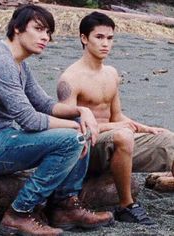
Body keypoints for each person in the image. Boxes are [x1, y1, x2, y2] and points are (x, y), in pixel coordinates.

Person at [0, 5, 115, 236]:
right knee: (73, 137)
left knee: (80, 129)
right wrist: (77, 126)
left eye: (48, 32)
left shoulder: (20, 64)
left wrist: (81, 112)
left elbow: (45, 104)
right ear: (17, 28)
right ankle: (19, 213)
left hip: (1, 138)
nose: (45, 37)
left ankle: (65, 206)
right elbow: (30, 120)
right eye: (38, 29)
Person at [57, 11, 174, 226]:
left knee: (168, 138)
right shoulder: (70, 78)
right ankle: (127, 205)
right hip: (89, 148)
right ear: (84, 38)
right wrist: (118, 126)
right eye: (99, 37)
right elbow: (69, 131)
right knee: (122, 135)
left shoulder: (111, 73)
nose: (106, 44)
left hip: (116, 137)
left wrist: (143, 127)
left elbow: (117, 116)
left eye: (110, 38)